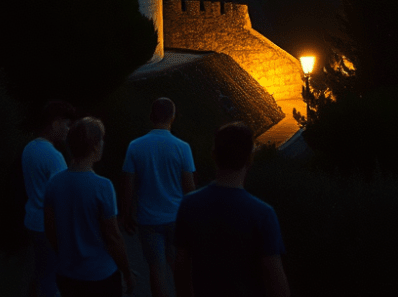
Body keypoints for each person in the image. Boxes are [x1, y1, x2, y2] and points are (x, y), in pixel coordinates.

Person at [173, 122, 289, 297]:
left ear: (213, 154)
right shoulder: (263, 214)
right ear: (250, 158)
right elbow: (277, 283)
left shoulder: (189, 205)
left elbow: (181, 267)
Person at [44, 117, 136, 297]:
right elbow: (113, 237)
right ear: (94, 146)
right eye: (101, 139)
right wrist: (127, 272)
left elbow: (50, 229)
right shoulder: (102, 186)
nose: (103, 143)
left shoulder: (53, 184)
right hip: (100, 276)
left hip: (67, 275)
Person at [120, 97, 196, 297]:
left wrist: (126, 215)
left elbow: (128, 185)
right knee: (180, 270)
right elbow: (189, 188)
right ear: (172, 117)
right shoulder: (183, 147)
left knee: (156, 271)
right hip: (176, 218)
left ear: (151, 116)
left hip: (148, 220)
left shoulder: (135, 146)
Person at [23, 100, 77, 297]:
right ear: (55, 123)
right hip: (50, 226)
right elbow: (63, 195)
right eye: (66, 124)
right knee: (51, 278)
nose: (67, 130)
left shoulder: (30, 148)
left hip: (32, 220)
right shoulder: (54, 156)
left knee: (39, 272)